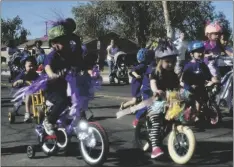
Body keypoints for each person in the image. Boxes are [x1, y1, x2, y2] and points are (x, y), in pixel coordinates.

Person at [147, 38, 179, 158]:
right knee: (156, 122)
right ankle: (154, 148)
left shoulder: (174, 75)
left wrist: (184, 89)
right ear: (159, 61)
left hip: (170, 103)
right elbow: (152, 83)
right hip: (157, 103)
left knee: (175, 120)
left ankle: (166, 139)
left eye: (173, 61)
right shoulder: (156, 72)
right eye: (167, 61)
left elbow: (178, 85)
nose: (171, 64)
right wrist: (156, 90)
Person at [42, 20, 75, 135]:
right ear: (53, 44)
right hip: (51, 89)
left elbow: (78, 64)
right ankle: (49, 120)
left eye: (66, 41)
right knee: (62, 101)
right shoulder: (52, 56)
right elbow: (47, 67)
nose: (65, 44)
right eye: (61, 42)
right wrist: (52, 75)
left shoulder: (68, 54)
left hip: (65, 86)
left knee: (77, 100)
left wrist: (90, 73)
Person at [181, 41, 217, 124]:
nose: (200, 54)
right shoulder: (189, 66)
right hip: (190, 89)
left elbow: (208, 75)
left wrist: (213, 79)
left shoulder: (203, 65)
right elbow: (184, 80)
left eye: (201, 51)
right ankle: (194, 114)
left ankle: (203, 112)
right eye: (198, 52)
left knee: (206, 97)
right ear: (191, 54)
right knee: (194, 99)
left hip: (200, 87)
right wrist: (189, 87)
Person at [132, 48, 155, 128]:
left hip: (152, 89)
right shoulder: (150, 66)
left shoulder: (151, 64)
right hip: (147, 89)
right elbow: (151, 76)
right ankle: (137, 119)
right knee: (146, 106)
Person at [12, 56, 39, 122]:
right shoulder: (22, 74)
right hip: (23, 93)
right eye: (29, 66)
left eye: (33, 66)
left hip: (35, 92)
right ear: (25, 66)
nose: (31, 67)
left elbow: (40, 81)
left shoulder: (36, 75)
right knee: (28, 94)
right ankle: (27, 113)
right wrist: (18, 82)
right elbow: (14, 83)